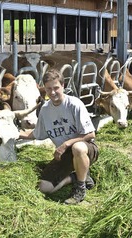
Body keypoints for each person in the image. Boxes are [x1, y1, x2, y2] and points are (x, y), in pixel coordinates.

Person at [19, 69, 99, 204]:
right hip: (65, 156)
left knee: (77, 147)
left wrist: (65, 144)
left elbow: (90, 134)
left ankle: (80, 188)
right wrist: (16, 134)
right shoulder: (45, 110)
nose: (53, 92)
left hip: (87, 149)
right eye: (49, 89)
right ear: (44, 89)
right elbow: (37, 134)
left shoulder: (74, 104)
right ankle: (76, 177)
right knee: (44, 187)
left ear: (63, 85)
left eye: (56, 87)